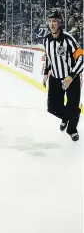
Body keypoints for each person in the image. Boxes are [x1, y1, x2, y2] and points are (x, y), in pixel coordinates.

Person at [43, 10, 82, 142]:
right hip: (55, 79)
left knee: (72, 104)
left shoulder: (68, 38)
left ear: (59, 23)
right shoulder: (46, 39)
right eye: (50, 21)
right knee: (52, 108)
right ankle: (70, 116)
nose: (52, 23)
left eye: (55, 21)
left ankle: (72, 129)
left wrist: (71, 76)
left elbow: (81, 58)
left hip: (71, 80)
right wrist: (46, 73)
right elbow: (49, 57)